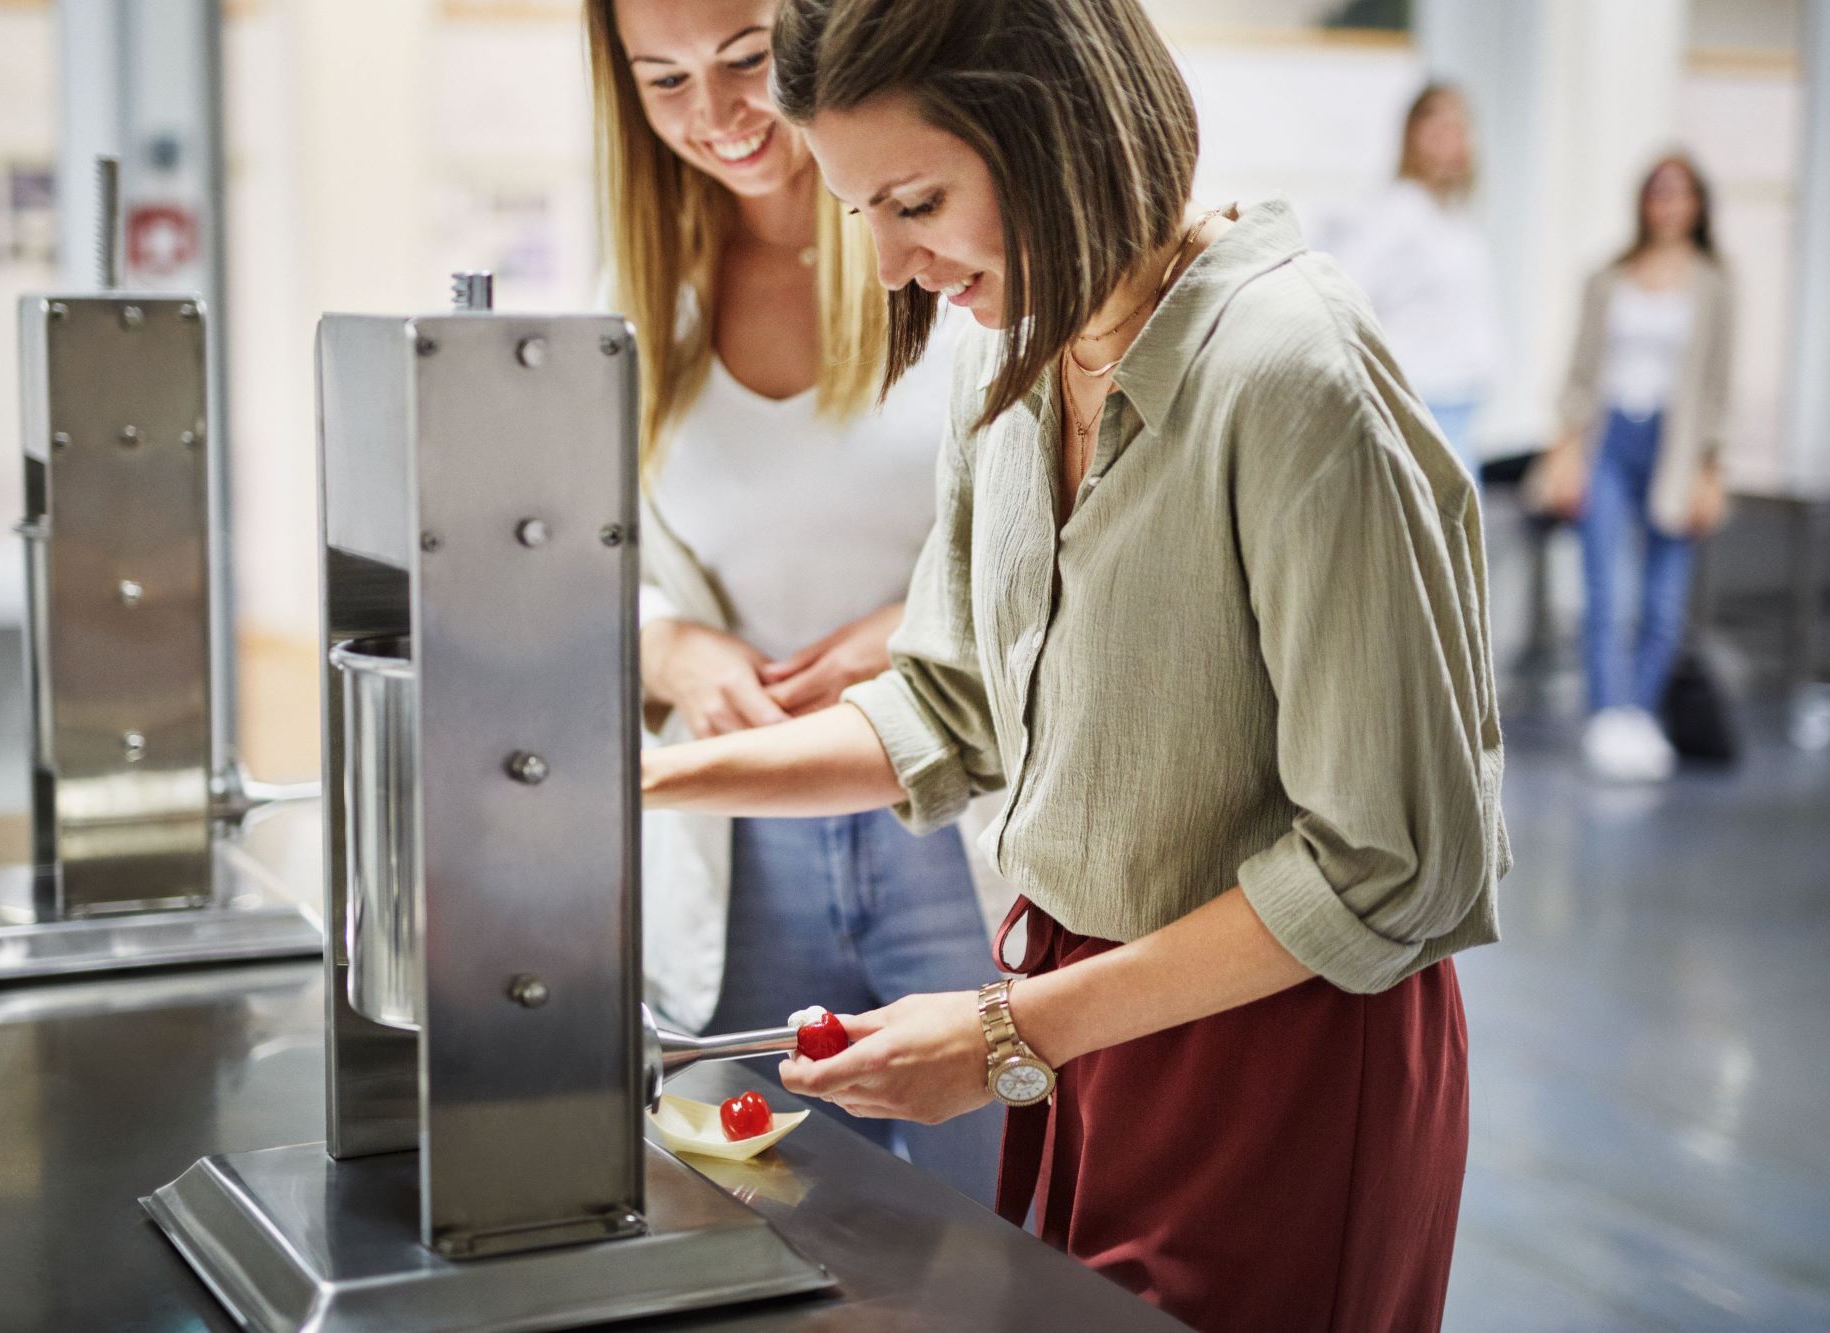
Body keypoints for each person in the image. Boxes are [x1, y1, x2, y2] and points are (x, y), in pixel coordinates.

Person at [642, 0, 1510, 1328]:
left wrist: (1011, 1032)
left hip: (1281, 1055)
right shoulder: (1018, 363)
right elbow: (945, 704)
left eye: (914, 200)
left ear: (1051, 127)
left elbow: (1387, 860)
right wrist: (636, 788)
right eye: (863, 212)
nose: (884, 267)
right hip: (1098, 1032)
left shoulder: (1286, 372)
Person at [584, 0, 1003, 1201]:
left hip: (952, 816)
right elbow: (585, 557)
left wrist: (915, 630)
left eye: (745, 62)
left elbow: (1066, 517)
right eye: (661, 82)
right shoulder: (640, 290)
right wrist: (666, 647)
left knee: (1012, 1228)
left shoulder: (945, 247)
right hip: (745, 821)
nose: (714, 119)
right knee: (763, 1221)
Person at [1536, 153, 1733, 782]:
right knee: (1603, 586)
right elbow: (1580, 370)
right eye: (1658, 194)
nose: (1668, 206)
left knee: (1664, 594)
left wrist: (1710, 468)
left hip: (1675, 448)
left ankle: (1641, 712)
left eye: (1680, 195)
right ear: (1643, 203)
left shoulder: (1714, 284)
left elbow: (1716, 385)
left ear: (1697, 205)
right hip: (1609, 438)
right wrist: (1565, 449)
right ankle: (1607, 715)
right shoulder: (1609, 278)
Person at [1323, 82, 1502, 486]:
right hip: (1422, 401)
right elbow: (1344, 289)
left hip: (1459, 402)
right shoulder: (1399, 212)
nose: (1450, 143)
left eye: (1458, 130)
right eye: (1437, 132)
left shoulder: (1453, 217)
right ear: (1412, 140)